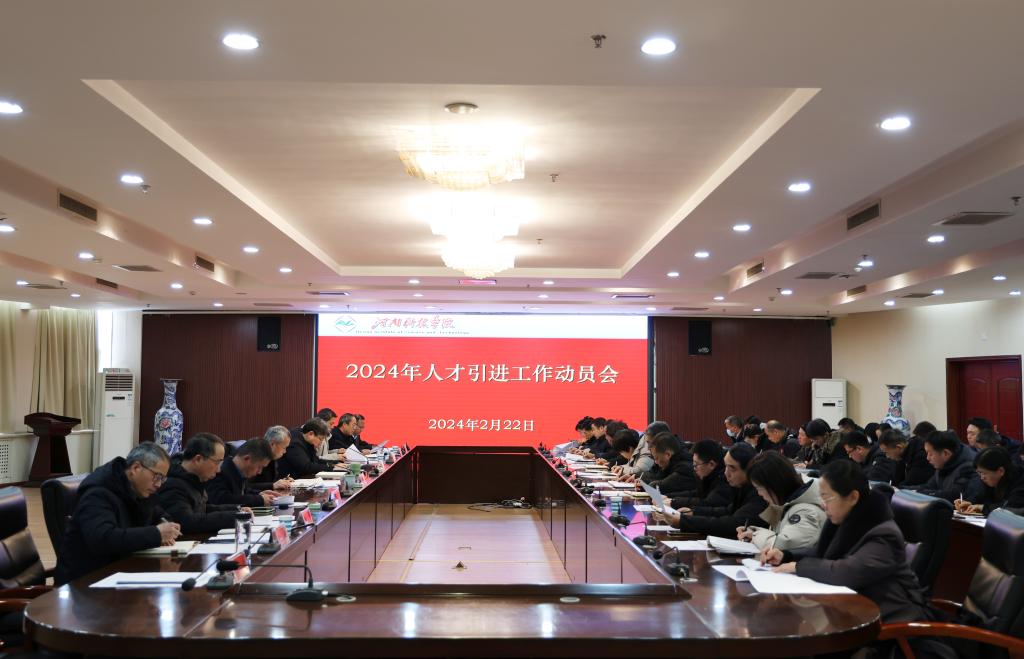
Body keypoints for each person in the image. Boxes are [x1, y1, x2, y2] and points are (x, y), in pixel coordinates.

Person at [761, 461, 943, 626]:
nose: (823, 505)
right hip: (852, 616)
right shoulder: (849, 520)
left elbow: (846, 572)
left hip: (891, 627)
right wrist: (786, 556)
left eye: (827, 498)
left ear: (853, 497)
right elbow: (821, 553)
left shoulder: (884, 534)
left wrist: (798, 566)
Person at [54, 443, 181, 585]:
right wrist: (156, 534)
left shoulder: (139, 490)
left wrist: (164, 525)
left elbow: (161, 515)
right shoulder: (98, 493)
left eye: (162, 479)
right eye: (157, 476)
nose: (158, 484)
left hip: (119, 572)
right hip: (84, 582)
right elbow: (102, 538)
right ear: (136, 468)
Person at [658, 443, 767, 537]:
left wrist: (683, 521)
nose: (726, 473)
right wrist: (694, 512)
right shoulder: (741, 486)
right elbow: (727, 511)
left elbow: (733, 523)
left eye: (732, 468)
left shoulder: (760, 493)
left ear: (749, 469)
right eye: (726, 466)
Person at [738, 451, 825, 553]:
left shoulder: (807, 511)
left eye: (759, 488)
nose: (759, 493)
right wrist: (754, 532)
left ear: (774, 485)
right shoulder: (792, 503)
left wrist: (755, 535)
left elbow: (781, 546)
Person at [157, 433, 240, 535]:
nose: (219, 470)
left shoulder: (194, 479)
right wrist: (234, 517)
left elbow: (201, 509)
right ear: (198, 459)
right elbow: (186, 523)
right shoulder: (172, 484)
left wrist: (237, 509)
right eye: (217, 463)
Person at [207, 438, 279, 507]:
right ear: (247, 458)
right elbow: (222, 500)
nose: (259, 472)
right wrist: (259, 499)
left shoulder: (237, 470)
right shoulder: (221, 472)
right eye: (259, 467)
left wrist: (260, 494)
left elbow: (244, 492)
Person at [955, 446, 1024, 516]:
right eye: (979, 473)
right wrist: (970, 504)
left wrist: (983, 508)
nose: (982, 477)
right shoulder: (989, 481)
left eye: (984, 473)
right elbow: (979, 498)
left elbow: (1010, 508)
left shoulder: (1020, 482)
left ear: (1001, 471)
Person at [912, 431, 978, 503]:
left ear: (945, 453)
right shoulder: (943, 464)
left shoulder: (968, 467)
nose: (927, 458)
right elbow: (928, 486)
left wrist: (923, 493)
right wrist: (907, 490)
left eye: (930, 454)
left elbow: (954, 496)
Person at [670, 439, 731, 510]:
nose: (694, 468)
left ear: (711, 464)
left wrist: (674, 502)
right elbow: (698, 493)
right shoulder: (709, 476)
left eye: (696, 465)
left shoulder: (724, 479)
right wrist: (671, 498)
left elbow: (707, 503)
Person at [279, 418, 346, 478]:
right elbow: (306, 467)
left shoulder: (307, 439)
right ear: (311, 434)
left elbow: (315, 460)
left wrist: (333, 465)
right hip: (288, 480)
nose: (321, 443)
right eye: (320, 439)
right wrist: (330, 467)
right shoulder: (294, 442)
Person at [639, 432, 696, 497]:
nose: (656, 462)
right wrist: (642, 482)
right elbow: (652, 477)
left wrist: (645, 483)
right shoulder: (668, 463)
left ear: (668, 454)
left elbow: (657, 487)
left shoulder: (684, 468)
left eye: (656, 458)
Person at [251, 425, 295, 491]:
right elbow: (245, 487)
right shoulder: (254, 456)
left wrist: (282, 481)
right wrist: (272, 485)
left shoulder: (272, 456)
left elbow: (270, 480)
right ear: (272, 444)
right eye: (284, 447)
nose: (285, 451)